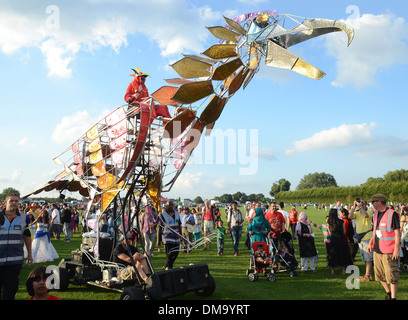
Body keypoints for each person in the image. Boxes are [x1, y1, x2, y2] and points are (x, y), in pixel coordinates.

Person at [0, 193, 33, 300]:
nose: (14, 203)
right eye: (11, 201)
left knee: (10, 291)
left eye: (16, 201)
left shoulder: (24, 218)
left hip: (15, 261)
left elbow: (27, 236)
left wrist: (30, 255)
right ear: (5, 202)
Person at [367, 194, 400, 300]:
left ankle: (393, 298)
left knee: (392, 276)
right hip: (377, 250)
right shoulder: (376, 214)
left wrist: (396, 249)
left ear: (380, 202)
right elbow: (375, 230)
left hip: (389, 251)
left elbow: (397, 233)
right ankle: (389, 293)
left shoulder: (392, 214)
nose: (372, 204)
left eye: (373, 202)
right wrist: (370, 243)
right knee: (379, 275)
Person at [349, 199, 374, 282]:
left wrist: (361, 207)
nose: (360, 204)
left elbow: (366, 215)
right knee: (365, 257)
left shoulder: (369, 211)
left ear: (365, 204)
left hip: (367, 237)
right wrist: (354, 207)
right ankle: (369, 274)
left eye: (362, 203)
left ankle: (366, 276)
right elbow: (350, 216)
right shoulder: (357, 213)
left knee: (368, 258)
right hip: (360, 238)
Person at [327, 208, 351, 275]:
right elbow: (344, 231)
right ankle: (343, 270)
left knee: (333, 254)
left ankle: (333, 270)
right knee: (342, 253)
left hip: (333, 239)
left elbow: (329, 232)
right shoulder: (341, 221)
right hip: (341, 238)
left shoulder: (329, 222)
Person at [159, 201, 181, 269]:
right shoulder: (163, 215)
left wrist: (181, 235)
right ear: (166, 206)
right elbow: (159, 228)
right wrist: (158, 240)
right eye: (169, 205)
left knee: (176, 253)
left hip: (176, 238)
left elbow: (179, 225)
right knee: (169, 254)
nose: (170, 206)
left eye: (171, 205)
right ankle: (169, 268)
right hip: (168, 238)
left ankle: (166, 266)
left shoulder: (177, 214)